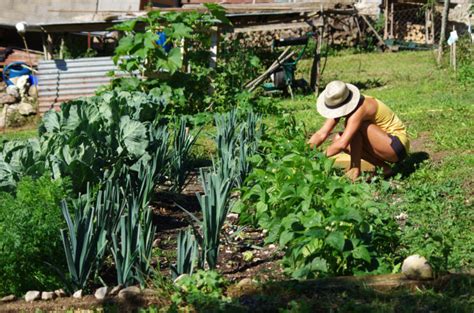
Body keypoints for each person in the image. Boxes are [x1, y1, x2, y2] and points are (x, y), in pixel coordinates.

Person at [308, 80, 409, 181]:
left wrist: (316, 158)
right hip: (383, 144)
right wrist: (304, 152)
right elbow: (321, 133)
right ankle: (383, 168)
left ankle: (355, 169)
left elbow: (342, 144)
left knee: (355, 128)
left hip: (397, 145)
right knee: (338, 137)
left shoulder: (360, 109)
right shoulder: (342, 103)